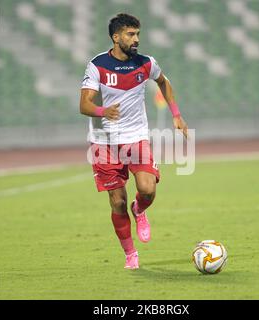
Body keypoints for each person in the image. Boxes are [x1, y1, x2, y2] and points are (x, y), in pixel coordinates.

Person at [80, 13, 188, 269]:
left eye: (137, 33)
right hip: (104, 142)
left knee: (148, 190)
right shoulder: (97, 65)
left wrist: (177, 115)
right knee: (117, 201)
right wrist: (101, 111)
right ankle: (130, 254)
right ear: (116, 37)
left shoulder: (146, 63)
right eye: (130, 34)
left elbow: (164, 82)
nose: (136, 39)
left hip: (136, 138)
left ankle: (139, 209)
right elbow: (84, 104)